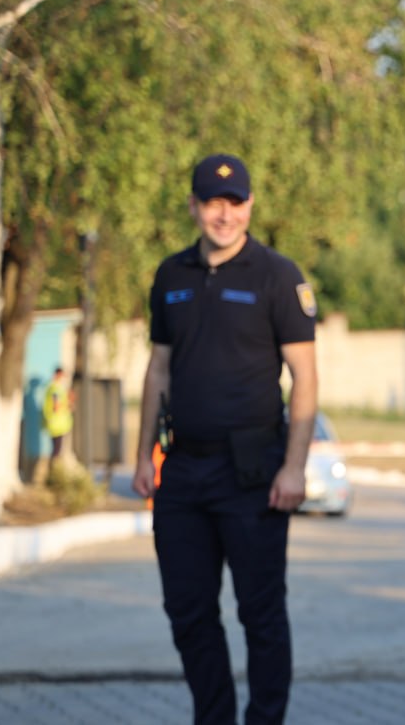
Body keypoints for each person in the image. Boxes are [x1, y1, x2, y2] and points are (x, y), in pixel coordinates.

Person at [131, 153, 318, 725]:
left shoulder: (279, 276)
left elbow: (305, 378)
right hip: (183, 472)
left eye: (235, 202)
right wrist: (142, 455)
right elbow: (158, 370)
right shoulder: (171, 276)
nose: (224, 214)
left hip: (254, 472)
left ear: (250, 206)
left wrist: (293, 467)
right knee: (187, 611)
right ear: (193, 206)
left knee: (260, 615)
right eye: (213, 202)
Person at [42, 366, 74, 459]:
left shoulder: (56, 387)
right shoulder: (55, 388)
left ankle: (54, 468)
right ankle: (53, 470)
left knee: (56, 449)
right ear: (58, 375)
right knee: (56, 450)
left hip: (58, 423)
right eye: (63, 376)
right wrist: (67, 405)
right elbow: (56, 405)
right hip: (56, 423)